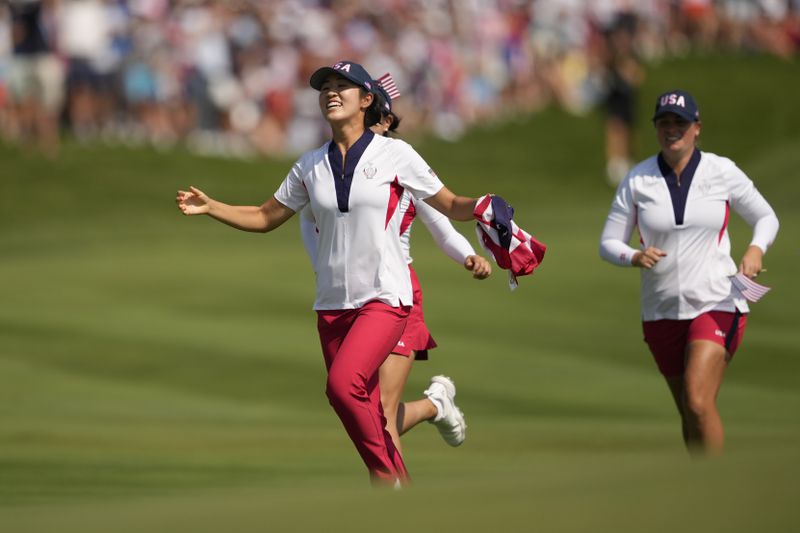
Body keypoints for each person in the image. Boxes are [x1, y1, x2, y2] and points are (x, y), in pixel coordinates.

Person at [176, 60, 498, 487]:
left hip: (384, 298)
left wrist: (482, 208)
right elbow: (265, 215)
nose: (331, 92)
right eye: (325, 86)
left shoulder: (396, 154)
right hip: (330, 307)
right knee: (356, 407)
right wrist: (213, 207)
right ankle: (392, 492)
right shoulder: (309, 165)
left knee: (344, 387)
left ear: (366, 100)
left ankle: (393, 484)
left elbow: (448, 204)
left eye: (342, 87)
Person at [299, 77, 492, 456]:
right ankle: (434, 407)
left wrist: (468, 255)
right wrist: (318, 267)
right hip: (349, 293)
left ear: (385, 122)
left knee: (381, 414)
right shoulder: (330, 168)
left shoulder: (397, 165)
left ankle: (394, 501)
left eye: (376, 118)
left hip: (395, 294)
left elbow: (441, 222)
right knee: (364, 408)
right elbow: (307, 220)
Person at [599, 89, 779, 455]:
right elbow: (608, 242)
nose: (671, 129)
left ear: (696, 128)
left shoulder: (721, 171)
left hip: (717, 300)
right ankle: (701, 490)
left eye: (679, 122)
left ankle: (718, 489)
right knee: (689, 412)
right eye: (664, 122)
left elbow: (765, 216)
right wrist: (634, 256)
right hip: (661, 310)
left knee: (697, 400)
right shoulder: (637, 179)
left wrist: (756, 249)